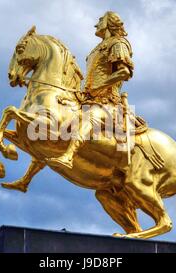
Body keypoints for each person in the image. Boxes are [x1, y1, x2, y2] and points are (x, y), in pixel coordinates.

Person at [47, 11, 134, 169]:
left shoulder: (118, 44)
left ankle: (68, 157)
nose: (96, 23)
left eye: (100, 20)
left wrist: (98, 87)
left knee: (89, 119)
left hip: (107, 102)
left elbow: (124, 72)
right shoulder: (98, 48)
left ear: (109, 23)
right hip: (89, 99)